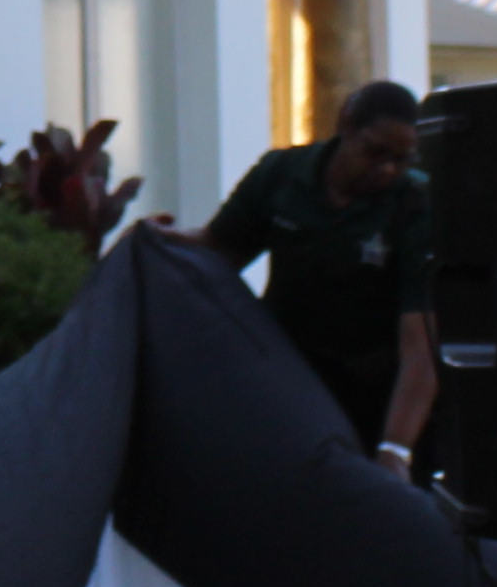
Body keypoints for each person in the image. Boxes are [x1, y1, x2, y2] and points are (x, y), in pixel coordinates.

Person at [189, 77, 443, 469]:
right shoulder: (282, 173)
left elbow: (420, 344)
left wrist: (395, 449)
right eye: (375, 152)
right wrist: (157, 240)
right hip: (290, 383)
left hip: (372, 395)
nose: (387, 169)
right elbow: (217, 254)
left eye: (402, 159)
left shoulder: (416, 206)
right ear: (346, 125)